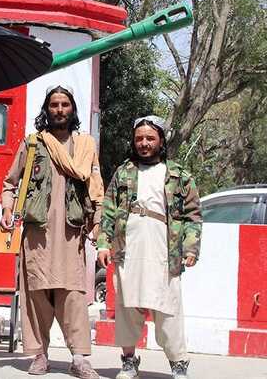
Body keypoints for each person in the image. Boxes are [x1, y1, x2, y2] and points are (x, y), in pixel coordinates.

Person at [0, 84, 104, 378]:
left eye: (65, 105)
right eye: (54, 105)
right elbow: (10, 183)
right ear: (46, 110)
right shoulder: (33, 143)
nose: (59, 110)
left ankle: (80, 358)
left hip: (72, 233)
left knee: (73, 294)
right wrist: (8, 209)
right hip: (37, 233)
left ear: (73, 110)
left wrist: (97, 222)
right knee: (36, 293)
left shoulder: (85, 145)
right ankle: (39, 355)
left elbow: (96, 187)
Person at [97, 115, 201, 379]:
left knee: (168, 307)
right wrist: (103, 244)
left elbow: (192, 215)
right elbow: (108, 211)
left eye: (150, 138)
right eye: (139, 138)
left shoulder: (178, 175)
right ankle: (129, 361)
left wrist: (191, 248)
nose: (144, 143)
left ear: (161, 140)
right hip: (128, 246)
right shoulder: (123, 172)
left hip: (165, 248)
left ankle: (179, 364)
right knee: (127, 306)